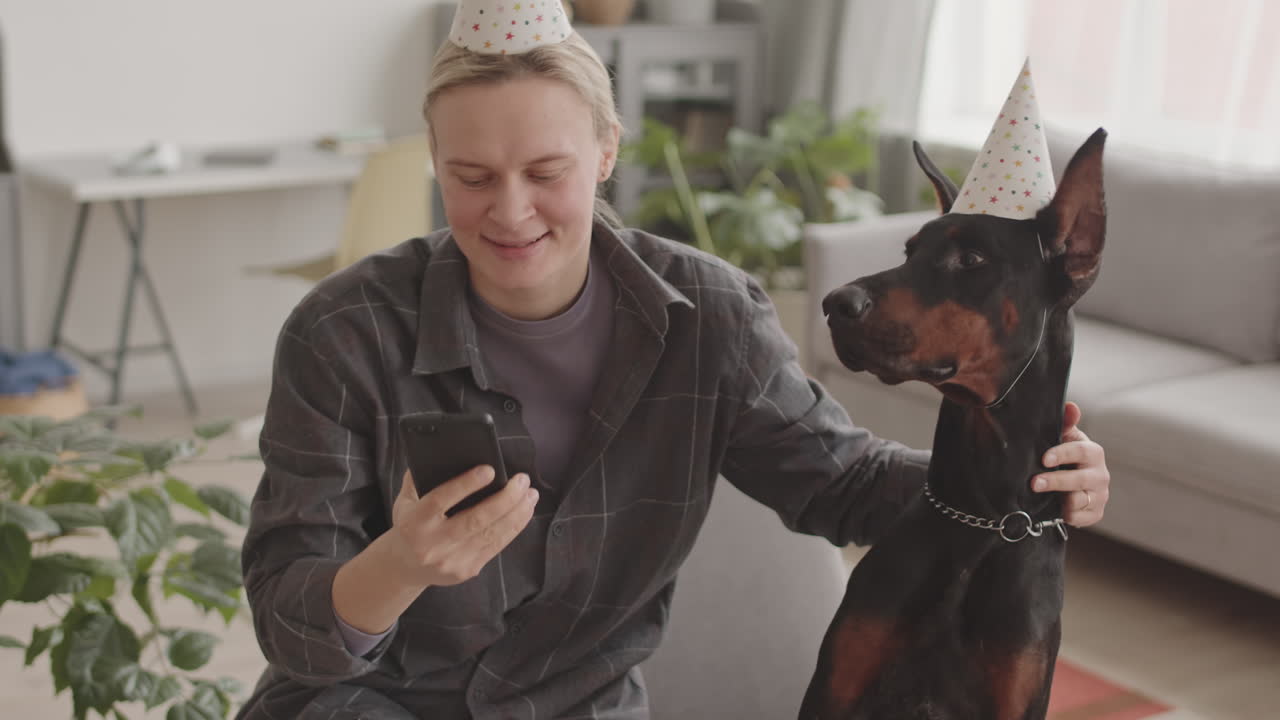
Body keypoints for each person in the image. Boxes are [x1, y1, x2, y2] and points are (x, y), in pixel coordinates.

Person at [235, 2, 1111, 718]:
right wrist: (402, 567)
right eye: (470, 176)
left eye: (547, 170)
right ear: (434, 160)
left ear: (608, 149)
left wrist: (1032, 481)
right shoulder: (342, 333)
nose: (509, 212)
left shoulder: (711, 319)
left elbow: (841, 482)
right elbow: (290, 627)